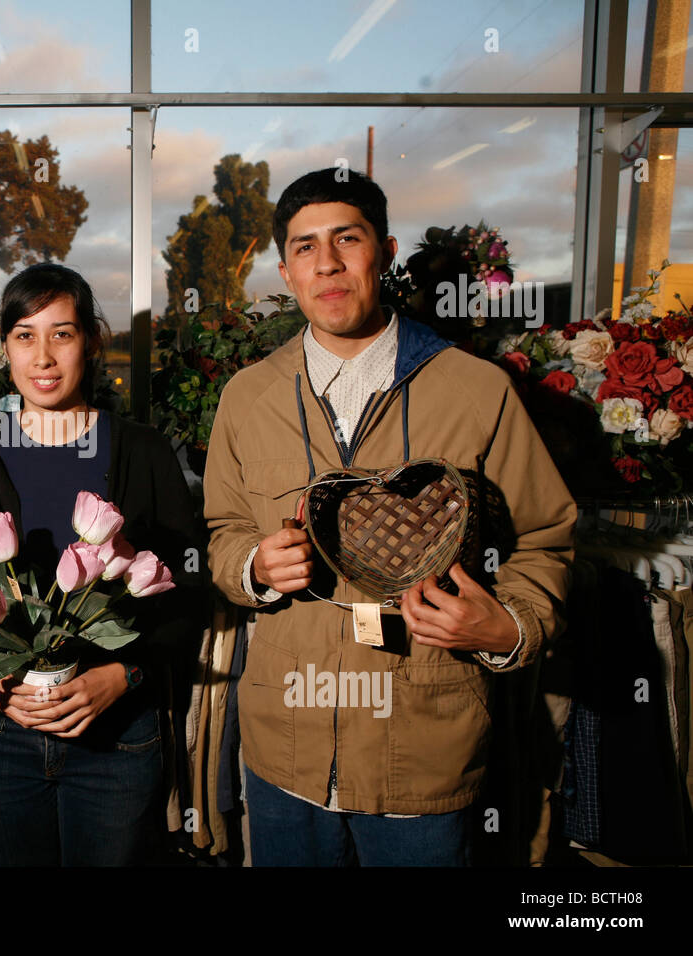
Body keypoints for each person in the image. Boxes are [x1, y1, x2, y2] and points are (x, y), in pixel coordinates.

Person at [203, 168, 574, 866]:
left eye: (348, 239)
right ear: (286, 270)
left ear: (386, 250)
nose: (329, 263)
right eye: (306, 247)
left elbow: (545, 538)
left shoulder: (476, 390)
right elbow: (222, 531)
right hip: (284, 750)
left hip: (425, 755)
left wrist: (508, 625)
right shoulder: (246, 399)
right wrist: (252, 565)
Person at [0, 263, 203, 866]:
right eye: (25, 335)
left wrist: (124, 675)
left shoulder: (142, 451)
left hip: (117, 739)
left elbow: (188, 586)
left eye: (62, 334)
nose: (43, 356)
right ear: (4, 347)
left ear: (92, 340)